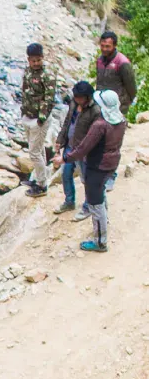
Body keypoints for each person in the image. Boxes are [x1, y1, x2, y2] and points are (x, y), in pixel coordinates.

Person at [78, 85, 127, 253]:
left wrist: (64, 158)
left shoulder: (100, 125)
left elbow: (84, 148)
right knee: (101, 195)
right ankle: (103, 224)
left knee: (95, 203)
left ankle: (100, 242)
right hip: (111, 164)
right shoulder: (121, 121)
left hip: (97, 166)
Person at [20, 41, 58, 196]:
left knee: (34, 152)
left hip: (39, 119)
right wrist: (23, 112)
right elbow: (24, 91)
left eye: (38, 60)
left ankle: (42, 185)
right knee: (38, 149)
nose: (36, 63)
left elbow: (49, 99)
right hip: (27, 115)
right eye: (33, 60)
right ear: (29, 59)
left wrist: (41, 119)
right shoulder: (28, 71)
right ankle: (36, 178)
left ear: (42, 58)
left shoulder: (47, 75)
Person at [57, 77, 98, 215]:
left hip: (84, 150)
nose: (77, 99)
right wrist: (60, 139)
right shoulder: (74, 104)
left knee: (86, 178)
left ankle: (87, 207)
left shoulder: (95, 111)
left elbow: (95, 134)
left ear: (87, 97)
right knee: (66, 173)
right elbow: (68, 121)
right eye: (76, 97)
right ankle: (69, 201)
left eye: (80, 97)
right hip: (70, 145)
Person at [97, 28, 137, 118]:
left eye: (107, 46)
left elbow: (131, 88)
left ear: (115, 45)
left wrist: (125, 103)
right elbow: (99, 82)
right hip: (102, 104)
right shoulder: (100, 61)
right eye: (102, 46)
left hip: (118, 106)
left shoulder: (123, 63)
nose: (104, 49)